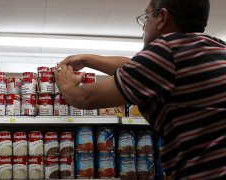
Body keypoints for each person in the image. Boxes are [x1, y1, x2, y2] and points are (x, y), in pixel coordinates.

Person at [53, 0, 226, 179]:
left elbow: (84, 98)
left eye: (146, 16)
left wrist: (65, 82)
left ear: (163, 18)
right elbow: (137, 68)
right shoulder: (216, 48)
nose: (143, 27)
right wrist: (87, 59)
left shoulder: (166, 49)